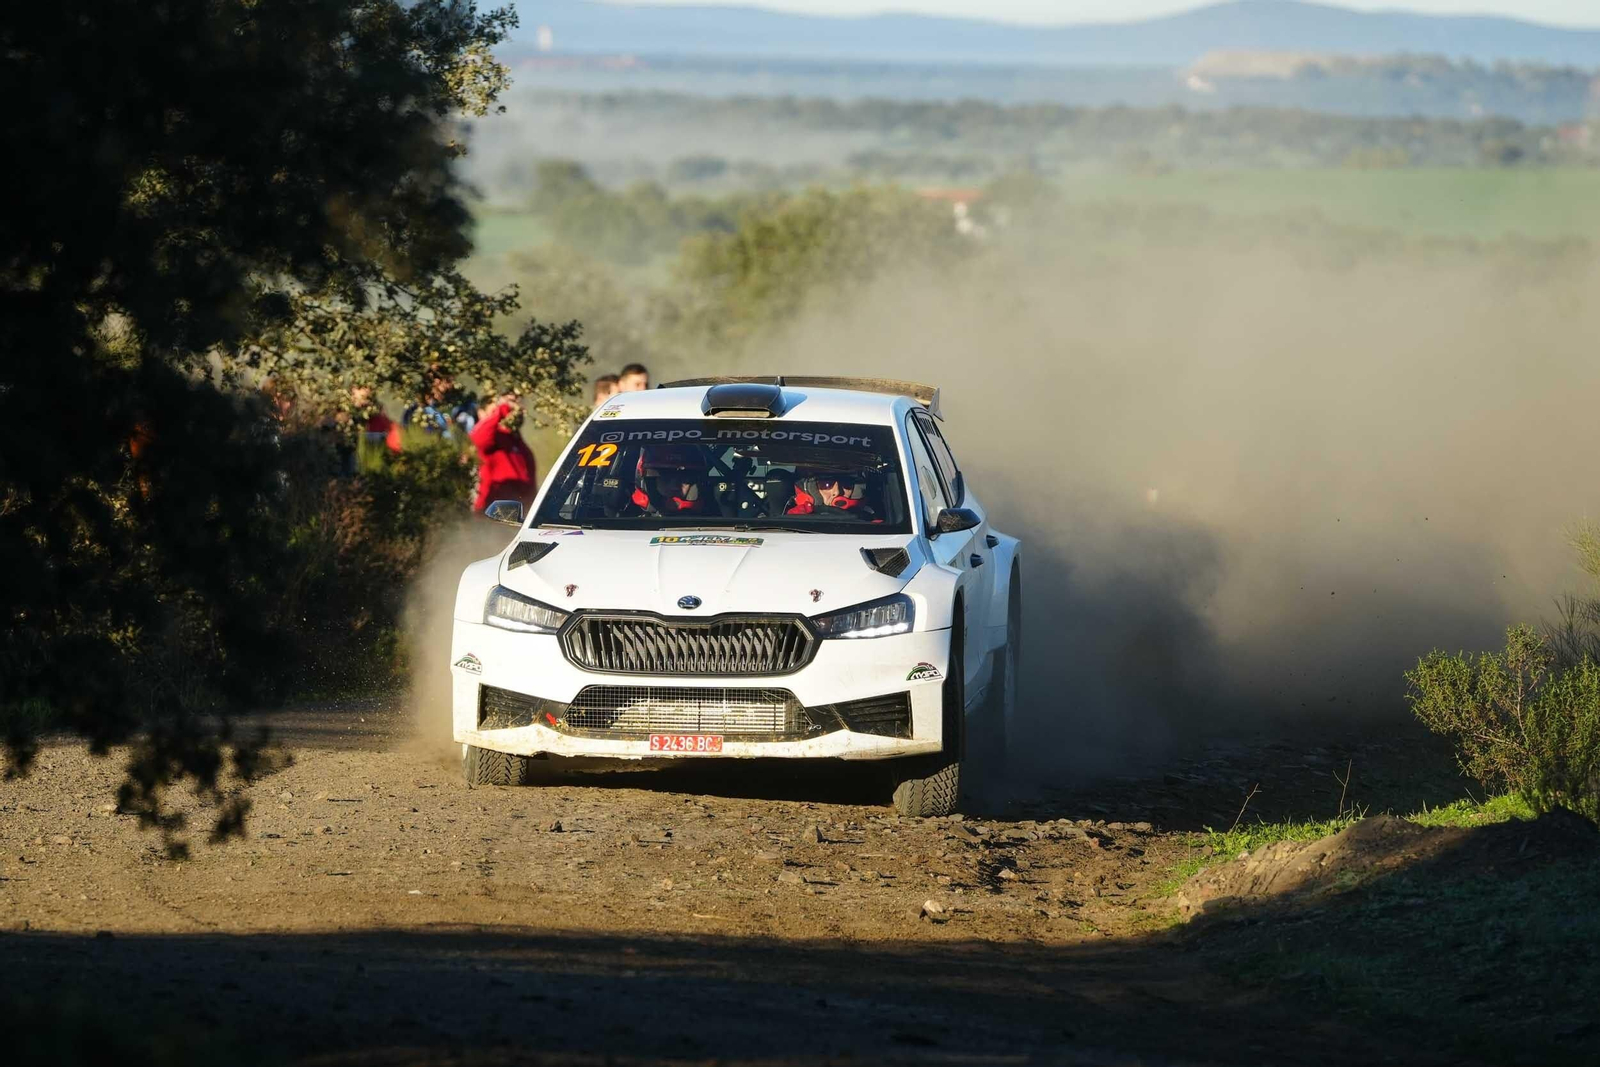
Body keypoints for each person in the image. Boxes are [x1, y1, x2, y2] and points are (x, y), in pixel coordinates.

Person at [470, 392, 538, 513]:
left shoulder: (519, 444)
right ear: (481, 413)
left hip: (519, 512)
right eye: (494, 412)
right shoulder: (491, 437)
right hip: (493, 510)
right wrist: (502, 408)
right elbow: (477, 439)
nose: (510, 412)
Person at [629, 445, 708, 515]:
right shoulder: (623, 520)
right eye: (666, 478)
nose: (674, 486)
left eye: (684, 479)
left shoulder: (715, 518)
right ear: (649, 482)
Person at [787, 471, 874, 518]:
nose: (836, 492)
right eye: (827, 485)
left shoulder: (872, 523)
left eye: (846, 484)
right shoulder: (796, 518)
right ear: (813, 490)